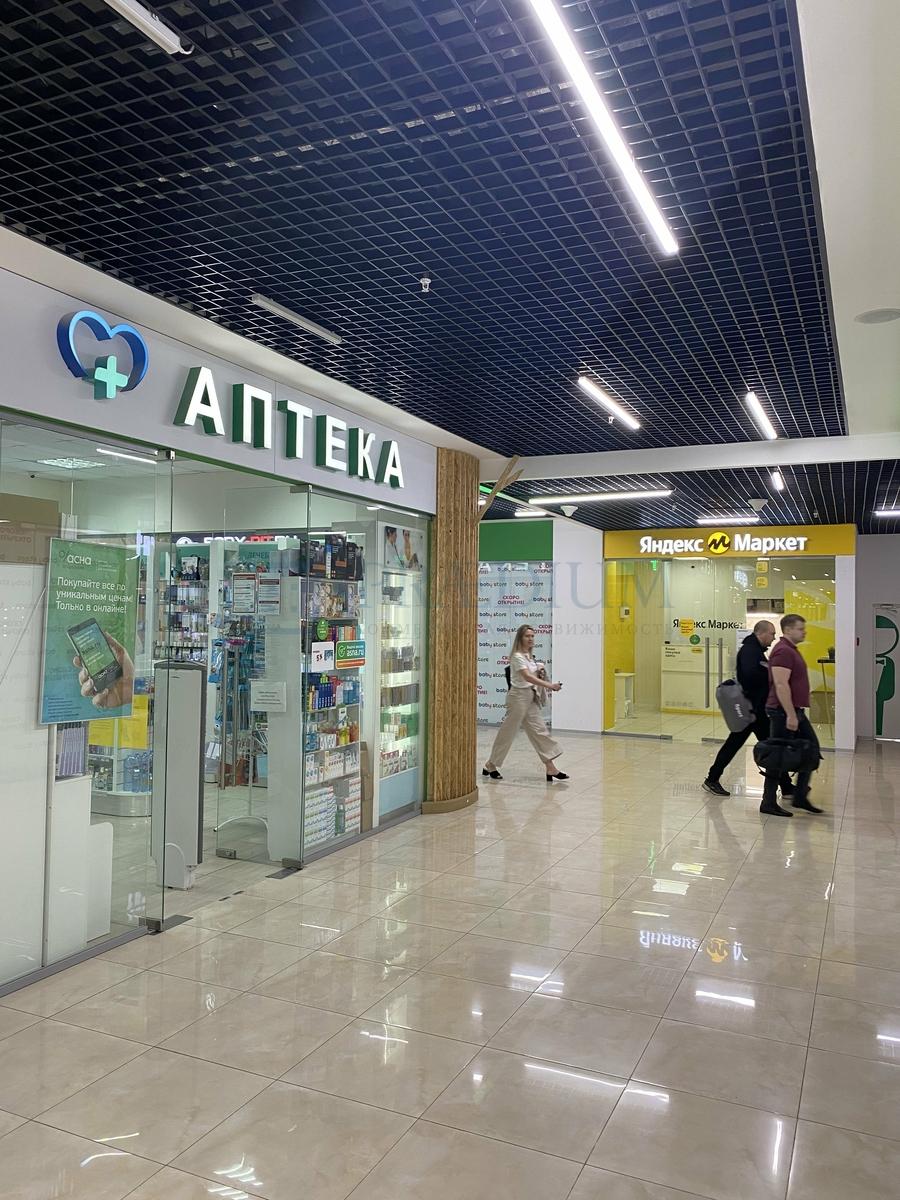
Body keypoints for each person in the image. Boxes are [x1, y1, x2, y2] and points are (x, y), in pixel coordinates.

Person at [702, 620, 793, 800]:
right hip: (751, 710)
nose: (774, 638)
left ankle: (786, 786)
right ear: (761, 633)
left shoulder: (755, 650)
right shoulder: (750, 651)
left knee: (765, 746)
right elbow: (750, 676)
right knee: (754, 745)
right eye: (772, 634)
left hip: (755, 710)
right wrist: (770, 675)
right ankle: (712, 779)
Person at [482, 624, 569, 782]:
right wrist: (550, 686)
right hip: (518, 697)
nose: (530, 639)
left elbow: (532, 676)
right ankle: (491, 764)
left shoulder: (529, 657)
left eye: (532, 636)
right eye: (527, 636)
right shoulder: (517, 656)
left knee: (539, 730)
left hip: (530, 696)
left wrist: (540, 671)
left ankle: (550, 767)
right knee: (508, 733)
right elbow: (527, 677)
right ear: (520, 638)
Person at [761, 613, 824, 817]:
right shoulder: (783, 651)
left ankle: (799, 796)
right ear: (788, 630)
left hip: (792, 710)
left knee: (811, 749)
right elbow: (781, 684)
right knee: (777, 757)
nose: (804, 632)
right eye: (800, 629)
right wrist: (790, 715)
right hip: (782, 711)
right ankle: (768, 802)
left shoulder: (790, 650)